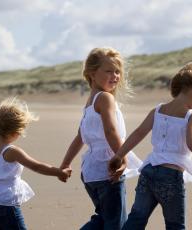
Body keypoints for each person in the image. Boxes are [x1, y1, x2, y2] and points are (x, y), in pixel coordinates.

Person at [109, 62, 192, 230]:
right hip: (170, 176)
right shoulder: (191, 116)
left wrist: (119, 155)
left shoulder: (158, 110)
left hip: (148, 170)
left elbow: (138, 133)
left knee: (137, 218)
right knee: (175, 225)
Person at [58, 47, 142, 230]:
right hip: (108, 168)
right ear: (92, 73)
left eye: (118, 71)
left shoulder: (90, 102)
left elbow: (80, 136)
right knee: (115, 223)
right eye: (109, 71)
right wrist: (122, 157)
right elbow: (111, 131)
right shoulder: (105, 98)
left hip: (90, 172)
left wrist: (65, 164)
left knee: (103, 218)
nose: (115, 76)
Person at [0, 98, 71, 230]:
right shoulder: (11, 151)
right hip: (7, 204)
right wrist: (59, 172)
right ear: (14, 132)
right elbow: (36, 166)